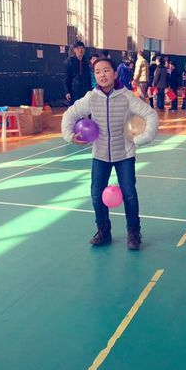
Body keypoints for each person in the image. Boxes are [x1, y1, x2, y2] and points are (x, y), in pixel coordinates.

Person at [61, 58, 158, 250]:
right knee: (96, 194)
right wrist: (69, 136)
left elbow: (151, 114)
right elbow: (70, 114)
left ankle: (134, 233)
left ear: (114, 73)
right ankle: (103, 231)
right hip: (100, 155)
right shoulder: (91, 97)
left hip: (125, 155)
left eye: (106, 70)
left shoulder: (127, 96)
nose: (102, 75)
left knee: (129, 194)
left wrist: (142, 138)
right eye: (98, 72)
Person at [64, 41, 92, 105]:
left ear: (84, 50)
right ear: (74, 50)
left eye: (82, 48)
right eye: (78, 48)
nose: (80, 50)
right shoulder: (69, 62)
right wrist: (67, 92)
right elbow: (66, 78)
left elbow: (88, 78)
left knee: (84, 108)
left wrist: (90, 91)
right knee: (74, 108)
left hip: (85, 91)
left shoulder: (86, 62)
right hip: (74, 91)